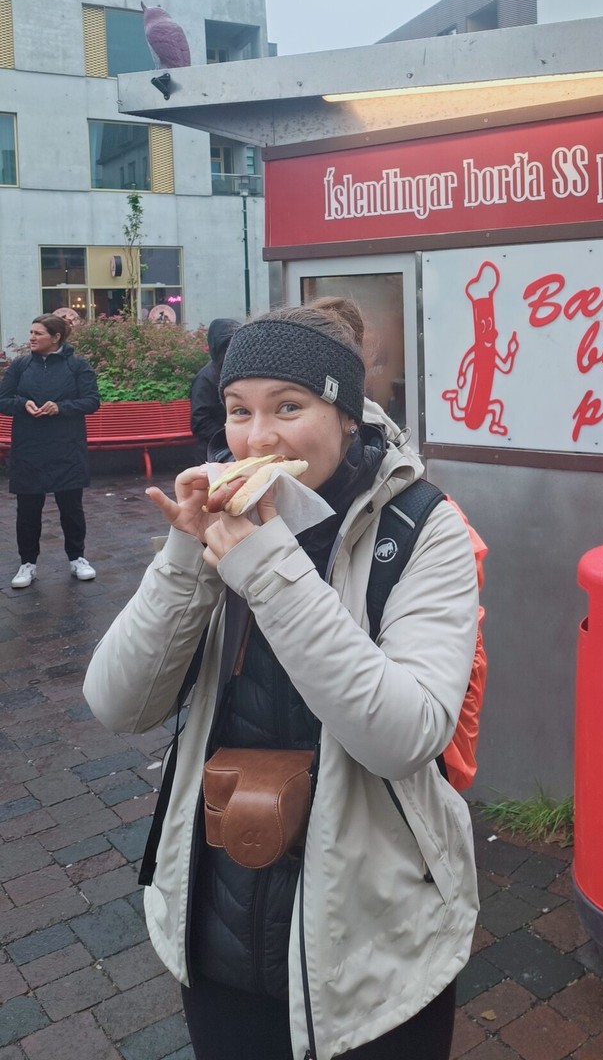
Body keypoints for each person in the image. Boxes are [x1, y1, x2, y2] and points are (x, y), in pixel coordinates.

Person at [83, 297, 480, 1060]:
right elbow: (117, 703)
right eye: (238, 411)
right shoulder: (224, 523)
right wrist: (184, 562)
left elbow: (405, 735)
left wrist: (264, 565)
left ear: (344, 415)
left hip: (377, 935)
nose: (257, 436)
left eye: (287, 407)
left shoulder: (421, 529)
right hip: (222, 912)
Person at [0, 314, 101, 589]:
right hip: (29, 447)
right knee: (28, 509)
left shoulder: (77, 365)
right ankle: (27, 563)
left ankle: (77, 558)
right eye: (31, 332)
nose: (31, 338)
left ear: (56, 337)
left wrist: (61, 407)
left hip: (67, 447)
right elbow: (3, 399)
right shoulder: (20, 366)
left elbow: (92, 401)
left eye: (38, 333)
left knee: (71, 507)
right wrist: (23, 405)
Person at [189, 317, 239, 462]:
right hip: (213, 452)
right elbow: (200, 421)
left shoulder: (236, 373)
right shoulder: (205, 378)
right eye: (227, 346)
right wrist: (228, 434)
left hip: (234, 448)